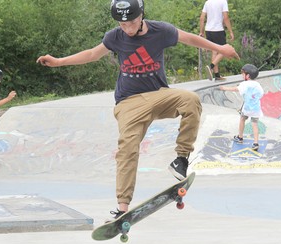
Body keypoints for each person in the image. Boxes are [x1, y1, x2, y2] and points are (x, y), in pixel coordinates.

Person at [37, 0, 239, 217]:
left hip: (159, 95)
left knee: (190, 99)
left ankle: (181, 159)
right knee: (127, 149)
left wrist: (220, 48)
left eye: (132, 23)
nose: (128, 29)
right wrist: (59, 62)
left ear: (141, 16)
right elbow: (92, 55)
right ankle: (122, 208)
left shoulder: (161, 30)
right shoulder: (114, 36)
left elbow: (190, 39)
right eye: (122, 25)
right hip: (128, 102)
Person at [219, 64, 263, 151]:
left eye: (243, 74)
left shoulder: (245, 84)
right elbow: (261, 94)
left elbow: (236, 89)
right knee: (254, 125)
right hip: (256, 109)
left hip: (246, 109)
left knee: (242, 119)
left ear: (248, 76)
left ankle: (240, 137)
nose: (242, 75)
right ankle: (256, 143)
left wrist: (224, 88)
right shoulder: (258, 85)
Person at [199, 0, 234, 81]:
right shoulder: (223, 1)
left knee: (215, 51)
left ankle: (217, 75)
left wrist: (201, 32)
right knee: (224, 50)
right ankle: (211, 66)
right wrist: (230, 31)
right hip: (218, 30)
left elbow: (201, 18)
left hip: (208, 31)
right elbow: (226, 17)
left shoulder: (208, 2)